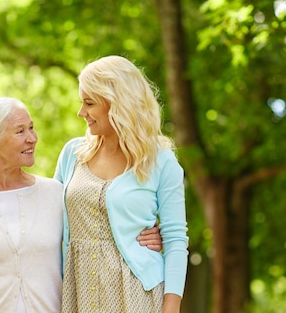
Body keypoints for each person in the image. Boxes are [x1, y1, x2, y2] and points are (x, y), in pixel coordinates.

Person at [0, 97, 162, 312]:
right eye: (20, 131)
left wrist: (143, 235)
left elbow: (100, 228)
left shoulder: (54, 194)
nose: (32, 138)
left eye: (31, 128)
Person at [54, 55, 188, 313]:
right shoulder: (73, 154)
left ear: (116, 103)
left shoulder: (161, 161)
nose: (81, 112)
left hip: (138, 296)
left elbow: (175, 241)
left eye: (89, 103)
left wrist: (171, 309)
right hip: (76, 293)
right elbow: (41, 211)